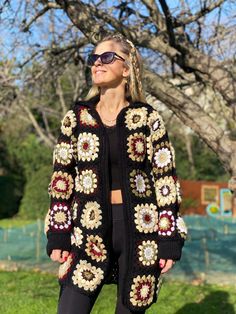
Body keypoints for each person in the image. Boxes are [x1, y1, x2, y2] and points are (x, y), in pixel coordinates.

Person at [45, 33, 187, 314]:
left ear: (126, 68)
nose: (97, 63)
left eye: (107, 57)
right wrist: (58, 234)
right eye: (93, 58)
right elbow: (62, 179)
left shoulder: (148, 118)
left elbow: (165, 181)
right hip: (87, 231)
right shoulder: (76, 118)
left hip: (140, 232)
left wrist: (168, 239)